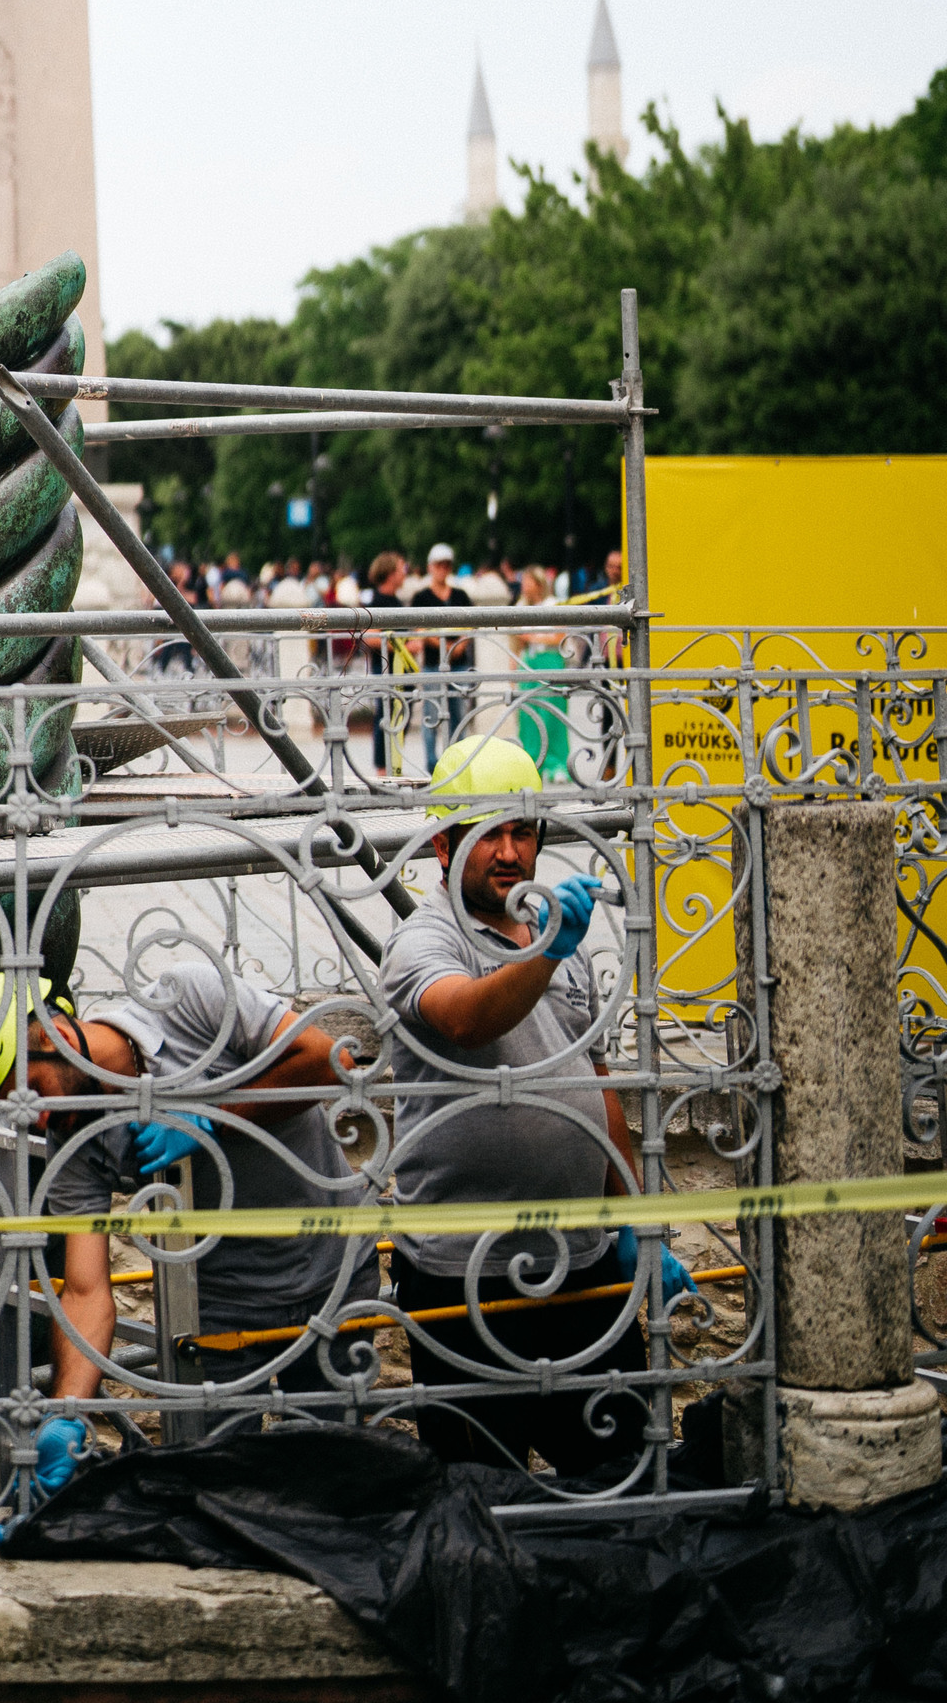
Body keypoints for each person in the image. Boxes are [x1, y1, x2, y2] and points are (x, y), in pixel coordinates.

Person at [0, 964, 379, 1489]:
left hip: (338, 1279)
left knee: (340, 1490)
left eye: (30, 1091)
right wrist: (66, 1413)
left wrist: (211, 1116)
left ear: (52, 1034)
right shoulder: (74, 1144)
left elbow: (332, 1061)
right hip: (223, 1316)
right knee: (223, 1498)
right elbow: (84, 1290)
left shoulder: (188, 998)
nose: (34, 1120)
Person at [380, 734, 689, 1480]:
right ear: (447, 845)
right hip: (467, 1278)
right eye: (489, 834)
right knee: (480, 1496)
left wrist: (639, 1225)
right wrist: (546, 953)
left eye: (523, 832)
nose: (510, 852)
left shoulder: (557, 936)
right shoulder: (424, 939)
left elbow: (597, 1078)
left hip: (581, 1265)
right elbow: (464, 1018)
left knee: (625, 1478)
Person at [413, 544, 476, 765]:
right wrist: (445, 645)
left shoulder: (460, 595)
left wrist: (457, 646)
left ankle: (457, 761)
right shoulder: (421, 597)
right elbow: (419, 631)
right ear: (431, 567)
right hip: (432, 663)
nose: (443, 569)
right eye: (439, 565)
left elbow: (469, 626)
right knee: (431, 715)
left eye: (446, 565)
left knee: (459, 713)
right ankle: (432, 763)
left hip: (458, 663)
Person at [512, 565, 573, 779]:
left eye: (528, 582)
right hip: (530, 662)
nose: (524, 586)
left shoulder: (552, 605)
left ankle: (556, 763)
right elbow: (516, 643)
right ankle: (531, 762)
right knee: (529, 713)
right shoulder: (521, 606)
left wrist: (532, 638)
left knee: (552, 713)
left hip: (550, 660)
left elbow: (559, 637)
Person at [362, 551, 414, 777]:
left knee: (399, 717)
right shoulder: (379, 602)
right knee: (384, 718)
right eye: (401, 568)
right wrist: (402, 646)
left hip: (400, 671)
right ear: (391, 573)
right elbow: (370, 636)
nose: (405, 573)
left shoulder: (395, 602)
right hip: (386, 669)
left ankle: (394, 766)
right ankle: (384, 771)